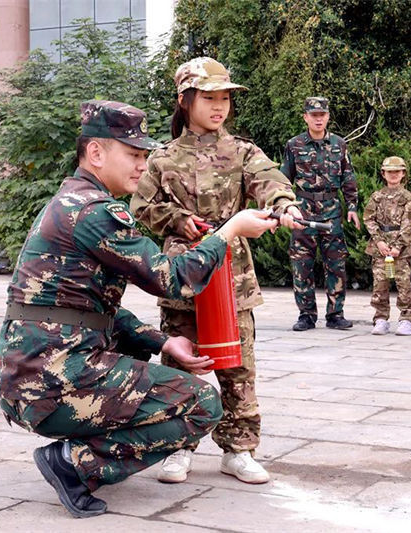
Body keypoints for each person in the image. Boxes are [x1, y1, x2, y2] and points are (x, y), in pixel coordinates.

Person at [0, 99, 280, 518]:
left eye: (144, 156)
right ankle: (75, 463)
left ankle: (83, 451)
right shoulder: (96, 212)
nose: (141, 166)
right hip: (50, 380)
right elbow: (172, 278)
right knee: (203, 403)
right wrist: (230, 230)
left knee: (142, 360)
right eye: (132, 155)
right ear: (96, 152)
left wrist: (164, 343)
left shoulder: (72, 201)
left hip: (32, 376)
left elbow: (95, 310)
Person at [130, 57, 302, 485]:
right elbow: (141, 206)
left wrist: (284, 204)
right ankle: (177, 446)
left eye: (224, 97)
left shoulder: (242, 151)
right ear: (185, 100)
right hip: (182, 275)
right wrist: (176, 219)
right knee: (180, 361)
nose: (219, 106)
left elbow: (269, 180)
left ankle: (239, 449)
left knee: (237, 366)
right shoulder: (163, 158)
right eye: (209, 98)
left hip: (231, 275)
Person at [281, 96, 360, 331]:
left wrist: (352, 206)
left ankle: (335, 314)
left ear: (328, 117)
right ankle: (306, 315)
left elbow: (348, 177)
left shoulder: (339, 144)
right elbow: (284, 180)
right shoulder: (294, 145)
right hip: (303, 212)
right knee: (301, 264)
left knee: (336, 264)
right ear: (305, 117)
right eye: (314, 115)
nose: (318, 119)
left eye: (322, 115)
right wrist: (282, 208)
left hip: (331, 211)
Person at [362, 156, 411, 335]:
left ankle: (407, 320)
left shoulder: (408, 198)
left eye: (397, 172)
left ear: (403, 174)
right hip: (381, 247)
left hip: (400, 249)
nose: (393, 175)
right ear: (383, 174)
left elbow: (410, 224)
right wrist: (378, 241)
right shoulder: (377, 197)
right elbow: (368, 219)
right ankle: (380, 319)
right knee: (380, 284)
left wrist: (398, 246)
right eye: (389, 172)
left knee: (404, 285)